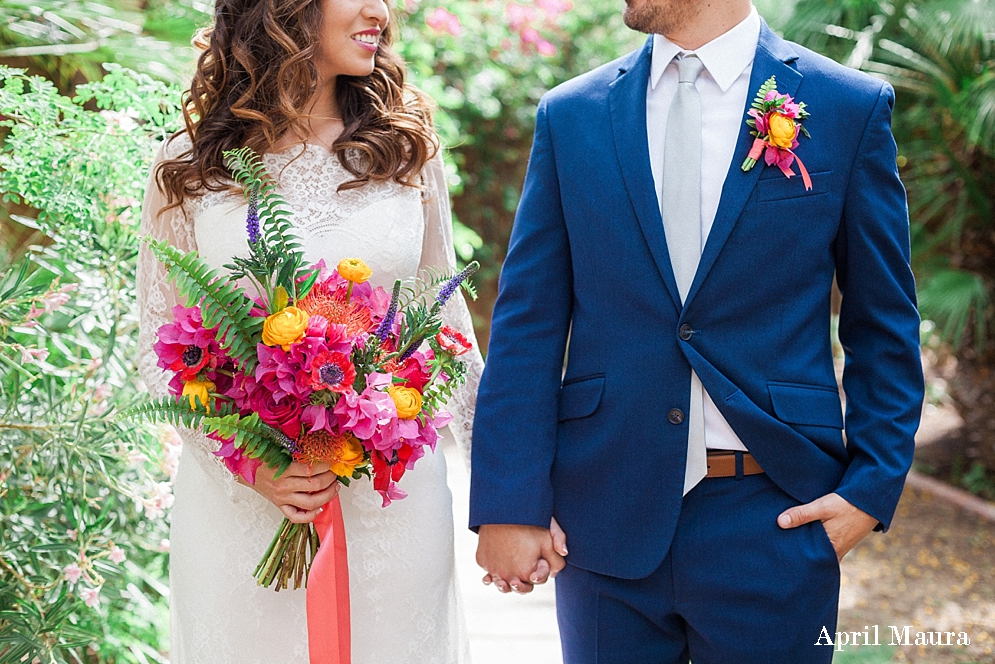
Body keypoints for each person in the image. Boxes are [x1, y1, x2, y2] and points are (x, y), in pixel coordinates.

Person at [470, 0, 924, 661]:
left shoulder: (844, 107)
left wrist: (868, 490)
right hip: (602, 521)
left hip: (773, 518)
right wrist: (508, 502)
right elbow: (527, 322)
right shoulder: (571, 116)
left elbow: (881, 319)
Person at [136, 0, 482, 660]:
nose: (381, 10)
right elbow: (159, 341)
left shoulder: (405, 148)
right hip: (240, 512)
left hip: (390, 504)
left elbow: (444, 329)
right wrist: (248, 462)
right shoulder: (191, 164)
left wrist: (509, 499)